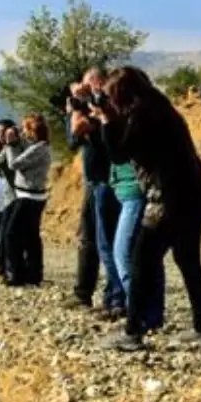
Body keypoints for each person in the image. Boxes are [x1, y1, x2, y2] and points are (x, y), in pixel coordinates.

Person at [94, 66, 201, 352]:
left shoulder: (142, 115)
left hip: (168, 198)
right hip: (192, 195)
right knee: (188, 261)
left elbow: (119, 154)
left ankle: (133, 331)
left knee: (141, 262)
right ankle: (200, 328)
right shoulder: (161, 108)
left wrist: (106, 120)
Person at [65, 67, 122, 313]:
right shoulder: (91, 108)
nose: (85, 90)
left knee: (108, 242)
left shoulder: (108, 108)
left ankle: (116, 298)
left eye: (89, 86)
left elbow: (78, 129)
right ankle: (84, 292)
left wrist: (78, 105)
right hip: (94, 181)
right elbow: (71, 142)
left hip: (107, 182)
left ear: (100, 84)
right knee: (89, 238)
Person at [106, 156, 165, 327]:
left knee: (123, 253)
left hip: (135, 191)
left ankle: (139, 311)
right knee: (148, 255)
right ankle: (151, 314)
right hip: (134, 190)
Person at [0, 114, 52, 287]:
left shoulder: (39, 148)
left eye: (24, 128)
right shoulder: (39, 146)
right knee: (31, 236)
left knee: (12, 234)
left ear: (32, 131)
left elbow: (14, 164)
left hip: (29, 197)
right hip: (30, 195)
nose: (22, 132)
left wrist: (11, 144)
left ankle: (17, 274)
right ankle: (34, 274)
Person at [0, 118, 20, 280]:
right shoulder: (13, 147)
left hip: (14, 196)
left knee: (8, 233)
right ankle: (5, 267)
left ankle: (6, 268)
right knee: (9, 233)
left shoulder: (10, 149)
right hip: (12, 195)